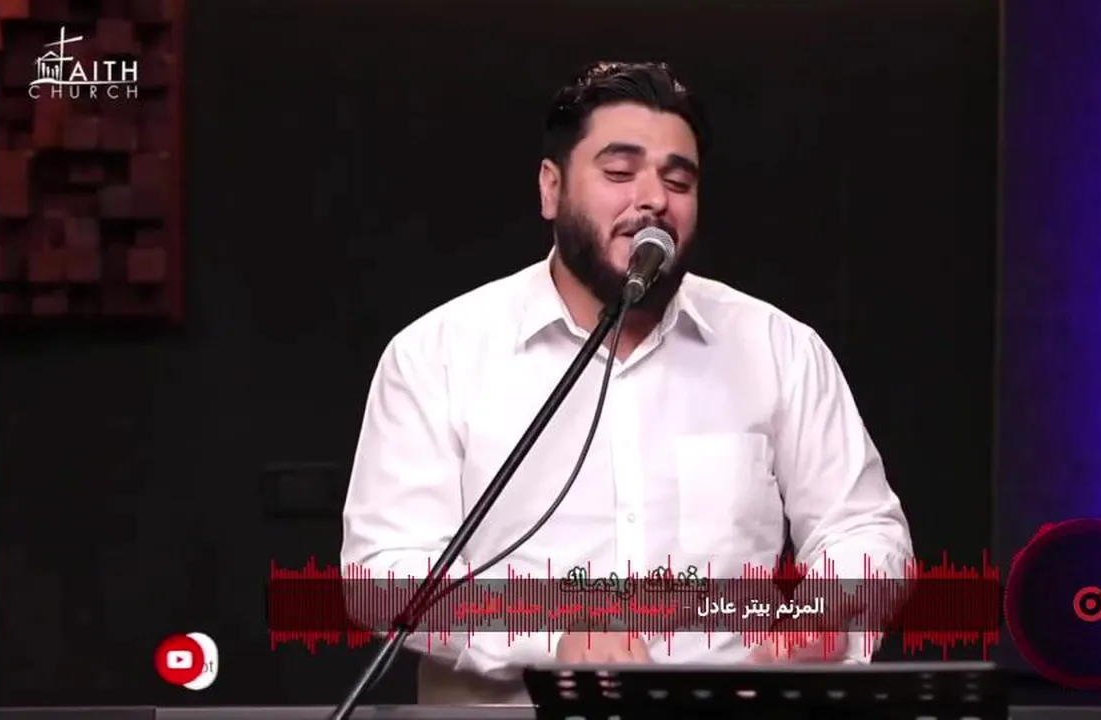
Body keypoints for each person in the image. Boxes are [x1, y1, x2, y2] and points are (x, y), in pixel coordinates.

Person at [341, 61, 913, 705]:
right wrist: (551, 634)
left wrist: (826, 613)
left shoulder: (779, 349)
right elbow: (381, 574)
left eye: (678, 180)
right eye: (619, 172)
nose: (654, 199)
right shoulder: (437, 355)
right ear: (551, 188)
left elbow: (864, 529)